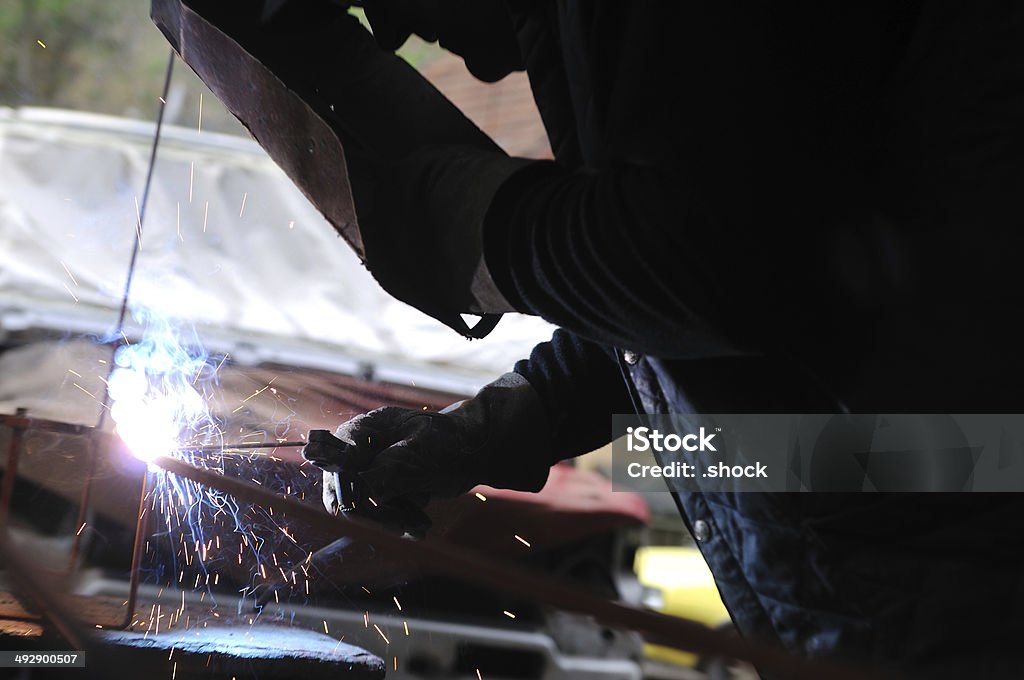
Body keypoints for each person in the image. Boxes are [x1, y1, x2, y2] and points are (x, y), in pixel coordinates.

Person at [163, 1, 1024, 676]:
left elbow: (710, 261)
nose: (394, 25)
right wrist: (502, 421)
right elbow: (738, 271)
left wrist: (459, 226)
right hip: (885, 513)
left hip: (960, 532)